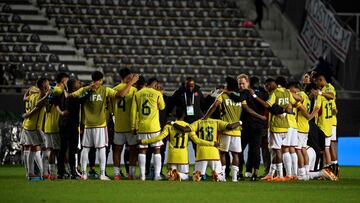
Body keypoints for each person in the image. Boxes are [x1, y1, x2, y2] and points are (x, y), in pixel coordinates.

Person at [68, 71, 138, 180]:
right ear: (100, 80)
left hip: (87, 125)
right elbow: (120, 94)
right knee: (101, 149)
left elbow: (70, 96)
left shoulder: (84, 89)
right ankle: (102, 174)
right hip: (100, 125)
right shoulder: (105, 90)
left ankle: (84, 174)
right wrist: (131, 83)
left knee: (85, 149)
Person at [202, 76, 266, 182]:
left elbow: (214, 106)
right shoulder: (240, 97)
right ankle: (235, 177)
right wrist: (260, 117)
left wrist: (205, 118)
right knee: (235, 154)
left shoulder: (223, 95)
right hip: (237, 130)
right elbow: (249, 110)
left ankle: (222, 174)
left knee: (222, 153)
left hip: (225, 128)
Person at [139, 107, 217, 181]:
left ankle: (172, 174)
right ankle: (178, 174)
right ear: (184, 115)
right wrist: (212, 143)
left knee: (169, 175)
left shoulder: (168, 126)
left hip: (172, 156)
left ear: (174, 115)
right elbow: (197, 141)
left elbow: (159, 138)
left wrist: (144, 141)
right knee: (186, 177)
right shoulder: (188, 126)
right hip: (183, 157)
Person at [249, 76, 299, 181]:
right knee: (275, 150)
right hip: (285, 126)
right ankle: (271, 173)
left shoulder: (274, 93)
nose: (266, 88)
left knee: (277, 150)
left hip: (276, 126)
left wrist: (254, 96)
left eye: (267, 86)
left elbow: (267, 105)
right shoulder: (287, 92)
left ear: (272, 84)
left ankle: (280, 175)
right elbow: (295, 103)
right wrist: (287, 109)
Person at [130, 77, 165, 181]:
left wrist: (133, 126)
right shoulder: (157, 93)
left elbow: (133, 112)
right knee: (157, 150)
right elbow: (162, 107)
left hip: (142, 126)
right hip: (154, 127)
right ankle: (157, 175)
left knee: (142, 150)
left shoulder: (137, 94)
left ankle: (142, 176)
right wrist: (160, 94)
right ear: (154, 84)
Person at [111, 68, 138, 180]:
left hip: (118, 125)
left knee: (117, 150)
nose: (132, 78)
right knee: (132, 150)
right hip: (130, 126)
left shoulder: (114, 89)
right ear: (127, 77)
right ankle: (131, 174)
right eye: (130, 77)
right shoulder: (133, 90)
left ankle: (117, 173)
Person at [21, 77, 50, 180]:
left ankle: (31, 173)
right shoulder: (41, 95)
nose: (49, 84)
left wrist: (29, 90)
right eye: (47, 83)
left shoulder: (32, 94)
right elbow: (37, 107)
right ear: (44, 85)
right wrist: (28, 114)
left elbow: (24, 98)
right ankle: (44, 172)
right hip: (34, 127)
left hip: (28, 126)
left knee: (32, 148)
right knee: (46, 147)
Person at [167, 77, 206, 154]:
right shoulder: (178, 93)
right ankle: (182, 162)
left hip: (195, 122)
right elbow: (170, 105)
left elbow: (203, 105)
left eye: (192, 86)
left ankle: (198, 162)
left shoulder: (198, 92)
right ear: (185, 85)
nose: (190, 88)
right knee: (182, 143)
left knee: (197, 145)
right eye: (188, 86)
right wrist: (169, 116)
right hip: (183, 122)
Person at [43, 72, 69, 180]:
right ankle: (63, 172)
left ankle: (52, 173)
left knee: (51, 150)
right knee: (59, 150)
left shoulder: (51, 91)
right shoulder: (59, 91)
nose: (67, 83)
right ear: (63, 81)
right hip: (56, 125)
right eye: (67, 81)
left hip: (48, 125)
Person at [57, 79, 84, 179]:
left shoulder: (61, 95)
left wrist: (61, 112)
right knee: (72, 150)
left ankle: (61, 172)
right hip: (72, 125)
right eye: (78, 83)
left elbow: (55, 103)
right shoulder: (75, 96)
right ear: (73, 87)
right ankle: (73, 172)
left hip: (63, 125)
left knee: (63, 149)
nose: (80, 83)